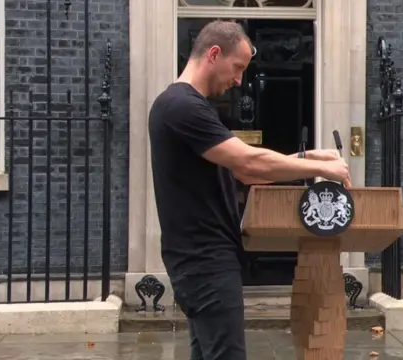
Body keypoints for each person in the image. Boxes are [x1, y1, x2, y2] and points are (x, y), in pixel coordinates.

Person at [148, 20, 351, 360]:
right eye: (238, 67)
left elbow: (246, 173)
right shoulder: (181, 106)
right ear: (214, 54)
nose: (239, 81)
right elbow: (250, 164)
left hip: (201, 260)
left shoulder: (183, 106)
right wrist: (320, 167)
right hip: (204, 261)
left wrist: (305, 155)